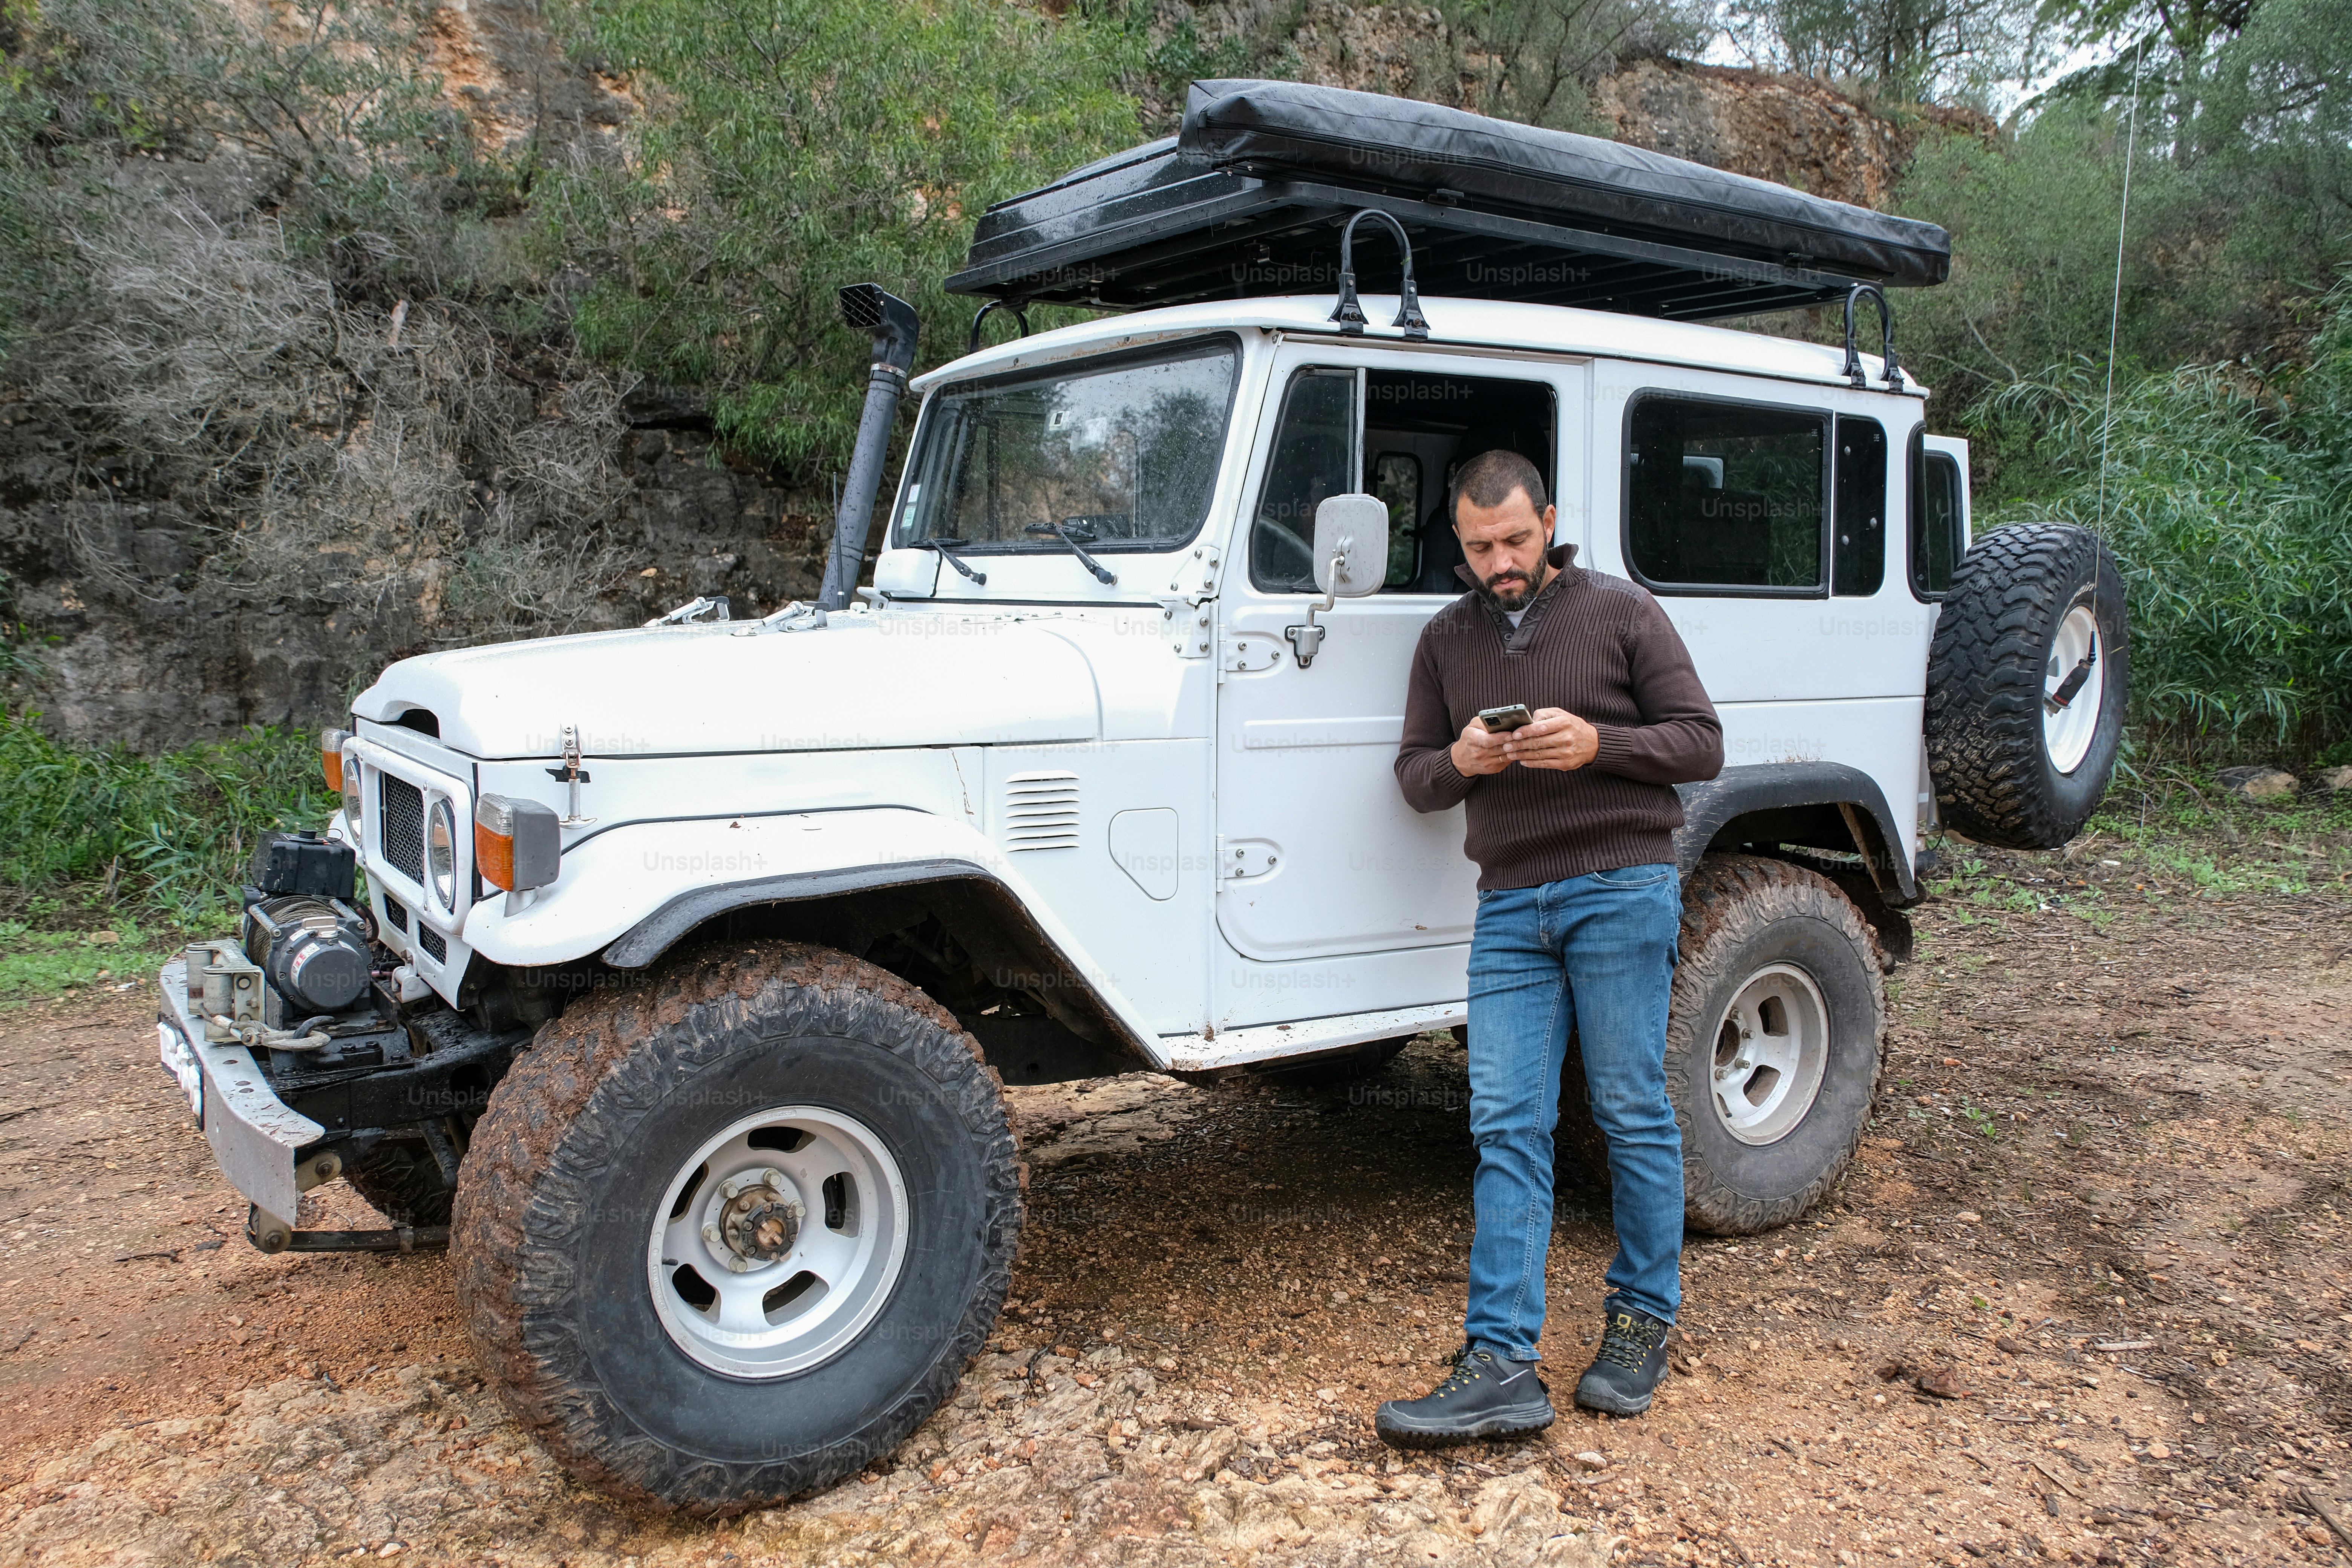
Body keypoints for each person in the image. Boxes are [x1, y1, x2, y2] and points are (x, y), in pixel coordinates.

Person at [1375, 448, 1723, 1446]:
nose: (1502, 562)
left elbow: (1701, 741)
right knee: (1505, 1124)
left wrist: (1597, 745)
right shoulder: (1444, 642)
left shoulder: (1622, 611)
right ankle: (1499, 1365)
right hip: (1511, 907)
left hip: (1623, 885)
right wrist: (1461, 759)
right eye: (1482, 547)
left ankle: (1642, 1321)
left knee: (1626, 1107)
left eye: (1518, 541)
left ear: (1551, 524)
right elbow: (1415, 778)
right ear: (1461, 543)